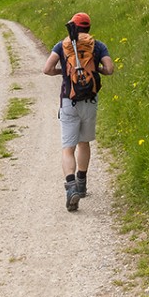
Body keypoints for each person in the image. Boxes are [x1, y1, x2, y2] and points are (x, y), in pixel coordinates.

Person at [43, 11, 115, 211]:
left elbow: (46, 69)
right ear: (88, 27)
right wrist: (96, 70)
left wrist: (63, 73)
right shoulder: (97, 45)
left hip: (69, 101)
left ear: (73, 27)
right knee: (84, 143)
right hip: (90, 100)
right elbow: (109, 69)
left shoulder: (63, 44)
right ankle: (82, 185)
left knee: (68, 148)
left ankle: (71, 187)